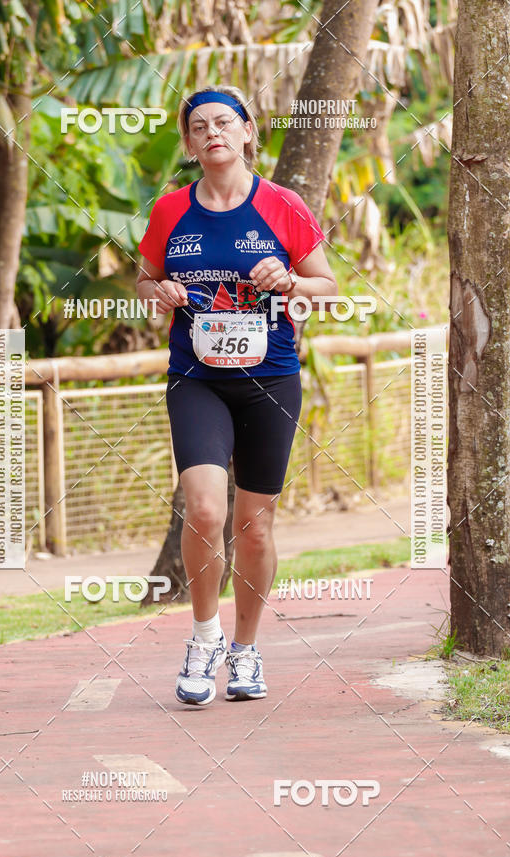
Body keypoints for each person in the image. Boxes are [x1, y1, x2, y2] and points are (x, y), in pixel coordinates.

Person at [136, 85, 338, 705]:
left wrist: (292, 280)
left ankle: (246, 653)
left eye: (225, 122)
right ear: (190, 144)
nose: (213, 132)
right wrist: (161, 293)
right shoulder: (170, 211)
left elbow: (327, 287)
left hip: (270, 379)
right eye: (199, 127)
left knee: (254, 525)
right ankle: (204, 639)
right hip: (197, 378)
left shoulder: (281, 205)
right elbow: (143, 281)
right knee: (204, 511)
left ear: (249, 132)